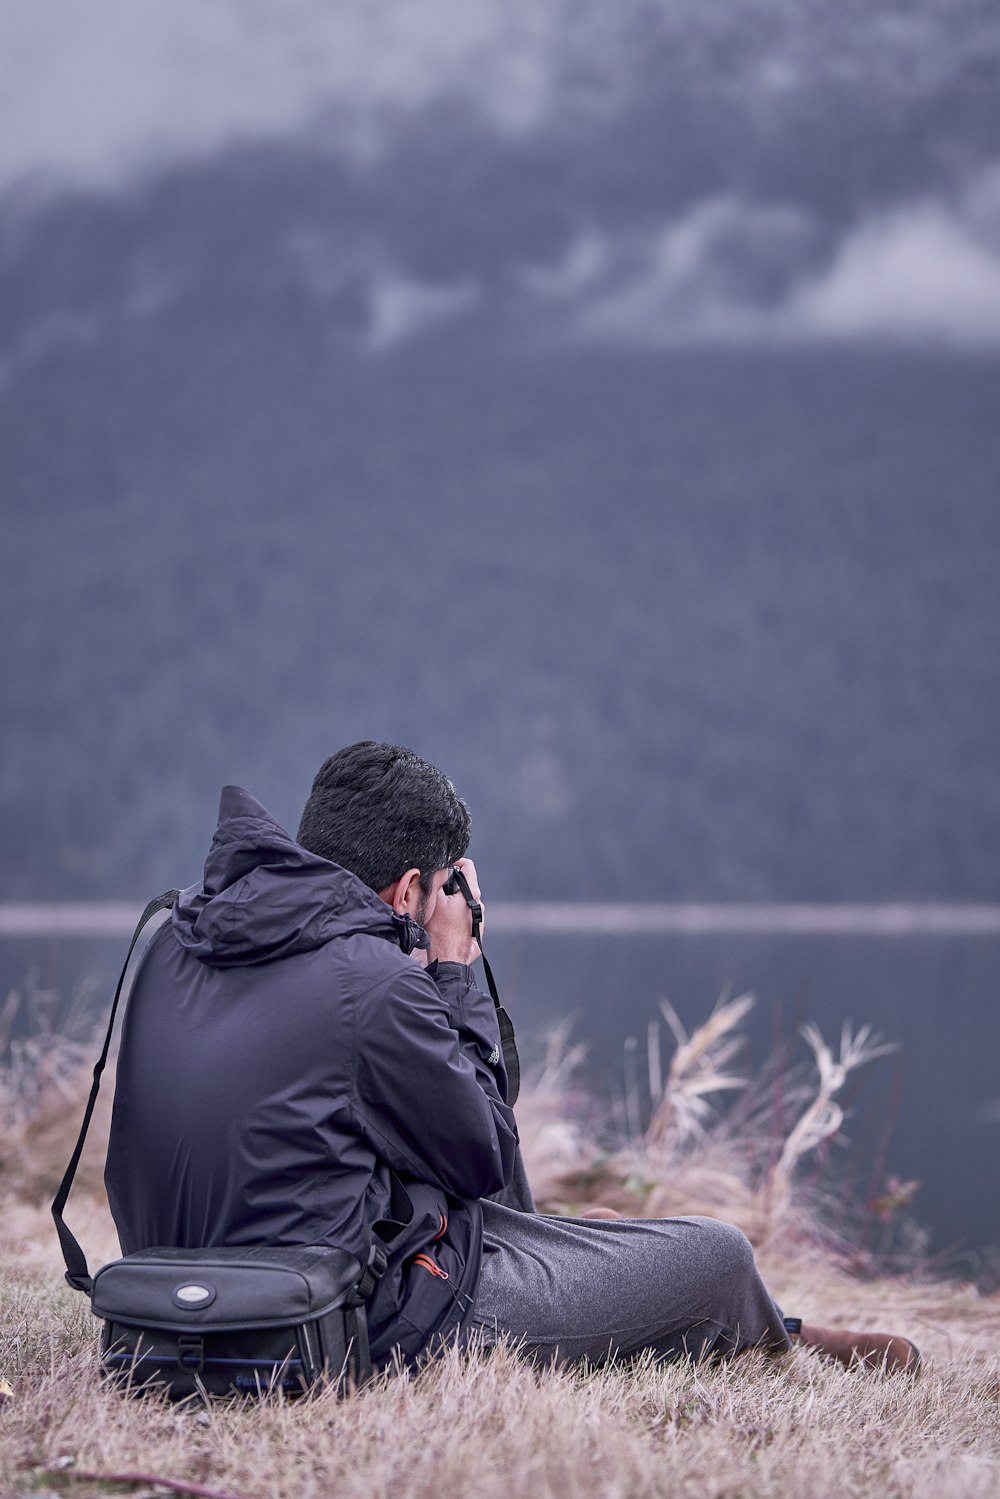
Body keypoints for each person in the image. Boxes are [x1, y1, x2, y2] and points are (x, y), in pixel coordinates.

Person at [105, 741, 919, 1376]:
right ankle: (771, 1334)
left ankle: (580, 1250)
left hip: (162, 1302)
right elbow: (483, 1151)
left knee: (539, 1218)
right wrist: (454, 972)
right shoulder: (371, 984)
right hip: (341, 1317)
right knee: (718, 1252)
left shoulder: (172, 941)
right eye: (437, 893)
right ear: (407, 890)